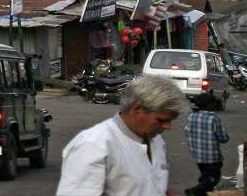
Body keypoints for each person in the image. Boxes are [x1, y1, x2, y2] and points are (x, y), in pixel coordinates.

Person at [56, 75, 184, 196]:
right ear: (137, 110)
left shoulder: (156, 140)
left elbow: (142, 180)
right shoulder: (93, 144)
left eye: (170, 121)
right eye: (161, 120)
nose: (168, 127)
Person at [184, 93, 229, 196]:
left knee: (205, 176)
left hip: (197, 155)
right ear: (209, 105)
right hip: (212, 157)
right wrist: (225, 138)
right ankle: (195, 191)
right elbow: (222, 137)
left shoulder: (191, 116)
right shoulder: (213, 118)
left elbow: (187, 131)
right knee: (213, 179)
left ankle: (203, 192)